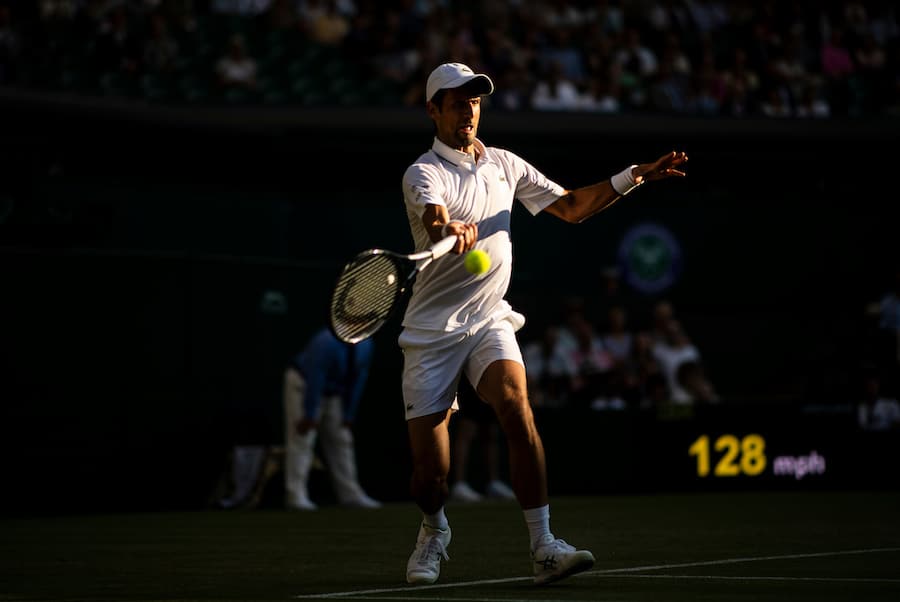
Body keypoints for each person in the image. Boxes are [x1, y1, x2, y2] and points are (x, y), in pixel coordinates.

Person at [399, 62, 688, 586]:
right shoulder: (423, 173)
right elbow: (433, 216)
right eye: (456, 100)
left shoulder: (505, 165)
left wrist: (636, 175)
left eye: (475, 100)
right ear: (433, 110)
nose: (468, 109)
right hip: (431, 334)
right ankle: (434, 528)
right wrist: (448, 226)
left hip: (489, 318)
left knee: (516, 404)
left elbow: (573, 207)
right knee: (431, 477)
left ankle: (543, 546)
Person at [283, 326, 381, 510]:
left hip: (334, 392)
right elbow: (315, 377)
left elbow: (359, 377)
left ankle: (351, 494)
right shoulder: (325, 342)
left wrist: (348, 414)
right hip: (303, 385)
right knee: (302, 438)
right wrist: (310, 414)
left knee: (342, 439)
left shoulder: (367, 344)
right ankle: (295, 495)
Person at [449, 378, 516, 503]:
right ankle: (459, 484)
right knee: (467, 431)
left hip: (490, 379)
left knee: (491, 432)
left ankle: (493, 483)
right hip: (470, 380)